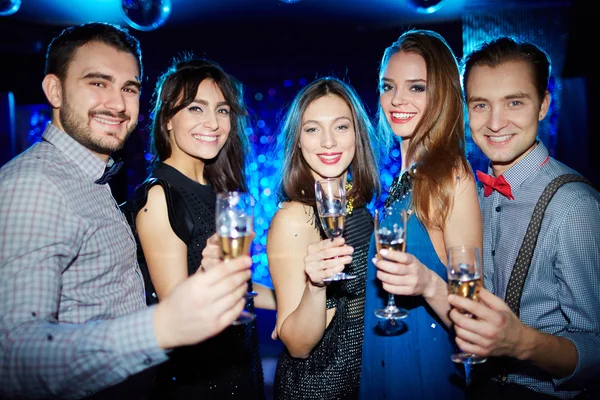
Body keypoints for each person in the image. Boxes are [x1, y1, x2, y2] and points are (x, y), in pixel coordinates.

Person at [0, 23, 252, 400]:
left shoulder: (94, 182)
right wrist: (160, 327)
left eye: (129, 88)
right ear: (54, 90)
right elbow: (13, 360)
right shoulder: (35, 184)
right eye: (97, 83)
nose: (117, 103)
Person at [448, 36, 600, 399]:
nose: (496, 122)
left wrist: (521, 343)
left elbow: (596, 346)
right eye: (481, 104)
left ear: (544, 105)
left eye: (514, 102)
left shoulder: (573, 206)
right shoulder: (465, 193)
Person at [120, 55, 274, 399]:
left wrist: (290, 301)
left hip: (241, 366)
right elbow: (175, 309)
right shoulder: (160, 195)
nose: (214, 122)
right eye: (195, 108)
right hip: (199, 379)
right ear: (168, 120)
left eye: (222, 110)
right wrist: (208, 272)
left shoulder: (218, 189)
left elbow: (240, 285)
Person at [358, 29, 482, 399]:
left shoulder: (450, 174)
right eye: (388, 85)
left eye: (416, 87)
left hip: (422, 372)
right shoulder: (404, 174)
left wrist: (427, 283)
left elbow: (474, 318)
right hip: (383, 361)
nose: (397, 99)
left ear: (441, 93)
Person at [266, 76, 380, 399]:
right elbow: (298, 346)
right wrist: (316, 287)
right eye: (313, 129)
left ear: (357, 136)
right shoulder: (294, 218)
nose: (328, 142)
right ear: (298, 141)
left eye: (341, 127)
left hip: (366, 382)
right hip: (318, 386)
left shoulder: (361, 210)